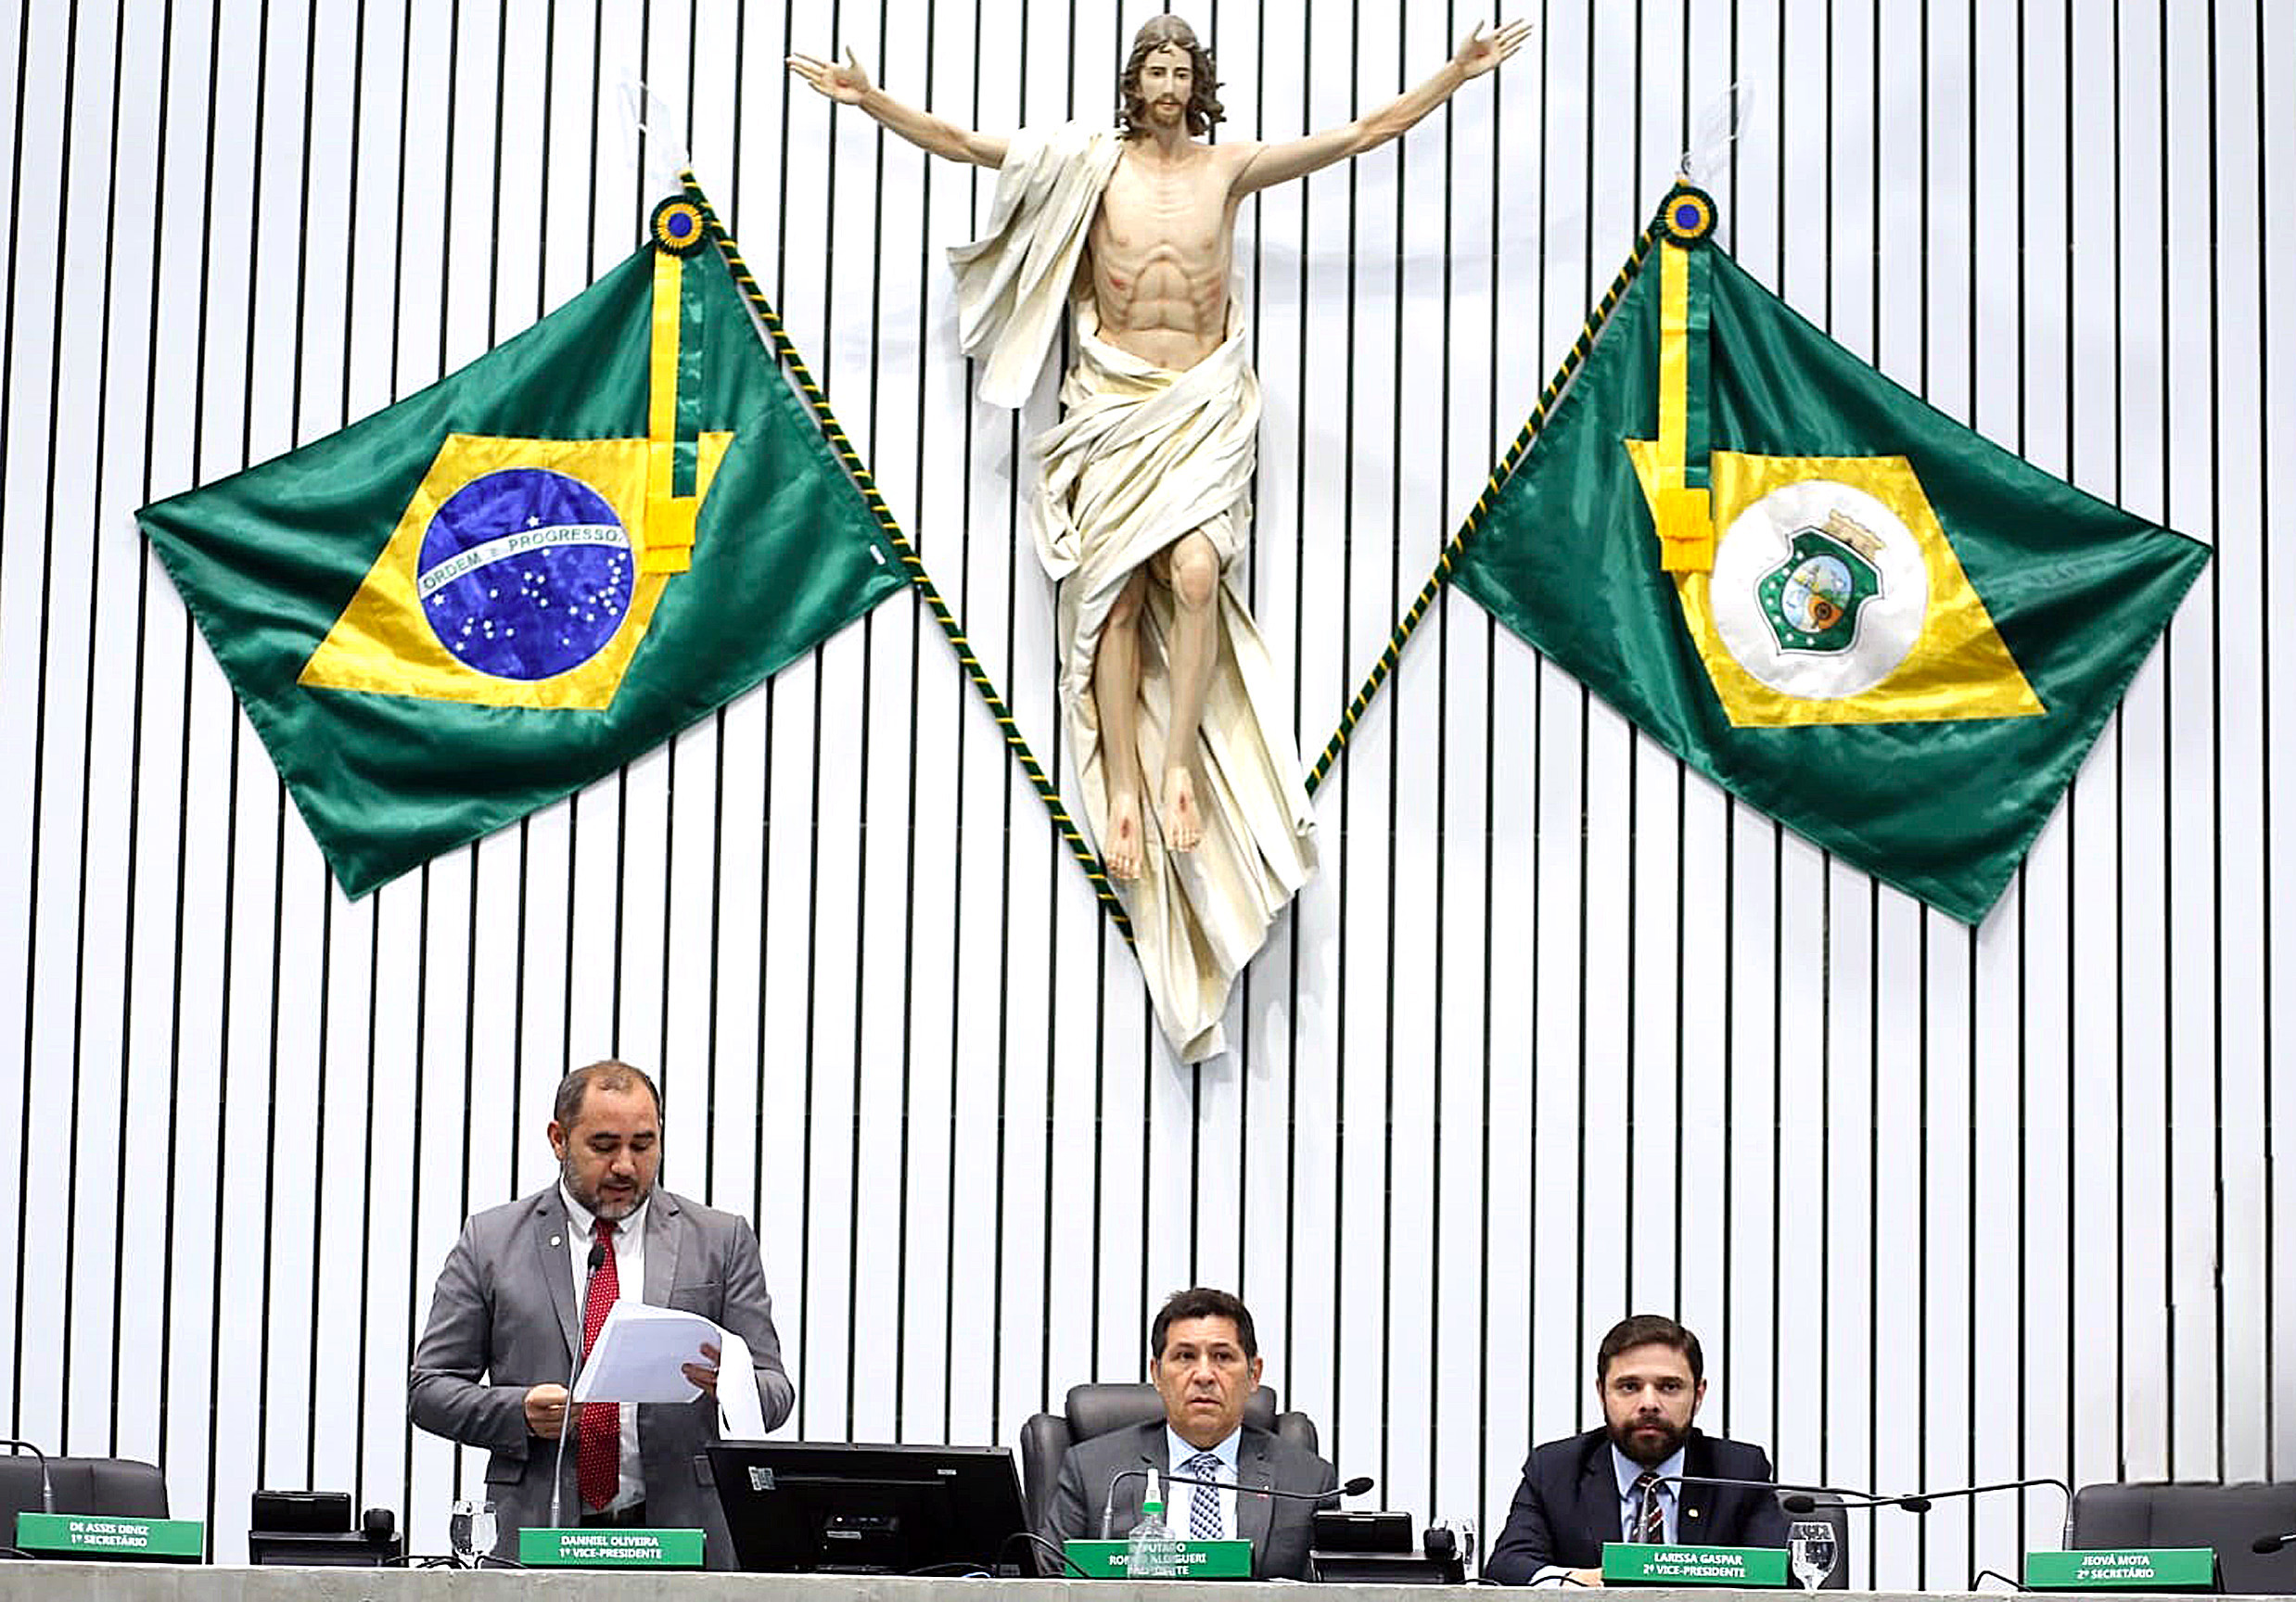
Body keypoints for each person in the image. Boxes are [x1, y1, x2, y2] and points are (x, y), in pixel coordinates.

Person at [788, 16, 1529, 1062]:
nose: (1169, 82)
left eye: (1184, 68)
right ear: (1132, 85)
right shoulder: (1088, 166)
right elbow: (963, 144)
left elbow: (1363, 133)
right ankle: (1127, 783)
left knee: (1194, 573)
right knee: (1116, 599)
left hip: (1202, 401)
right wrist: (871, 102)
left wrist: (1453, 74)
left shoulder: (1230, 167)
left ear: (1200, 84)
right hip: (1114, 397)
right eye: (1154, 68)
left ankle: (1177, 762)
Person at [407, 1061, 793, 1567]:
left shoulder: (720, 1241)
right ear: (559, 1139)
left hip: (683, 1533)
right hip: (538, 1532)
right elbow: (429, 1391)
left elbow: (776, 1394)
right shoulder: (492, 1242)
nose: (626, 1167)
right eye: (605, 1146)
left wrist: (735, 1385)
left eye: (643, 1144)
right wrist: (519, 1411)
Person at [1038, 1286, 1336, 1578]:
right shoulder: (1092, 1471)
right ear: (1156, 1373)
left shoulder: (1309, 1482)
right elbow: (1044, 1585)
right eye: (1185, 1356)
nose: (1204, 1375)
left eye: (1222, 1357)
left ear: (1253, 1374)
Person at [1486, 1314, 1789, 1584]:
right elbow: (1508, 1567)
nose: (1649, 1404)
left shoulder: (1739, 1472)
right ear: (1602, 1393)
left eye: (1669, 1387)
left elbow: (1778, 1575)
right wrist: (1576, 1582)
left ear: (1698, 1394)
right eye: (1629, 1386)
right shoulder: (1555, 1469)